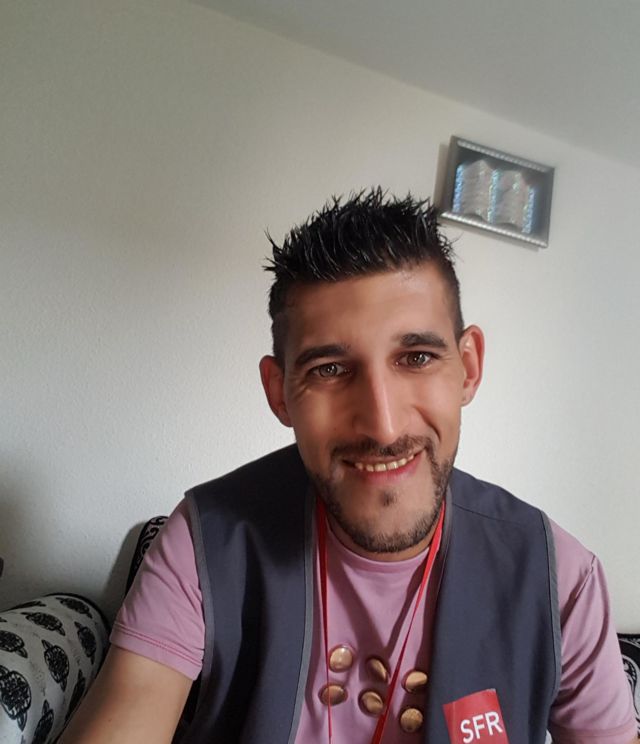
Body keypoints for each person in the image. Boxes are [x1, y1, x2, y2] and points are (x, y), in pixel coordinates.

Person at [63, 189, 636, 743]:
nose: (383, 427)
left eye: (416, 357)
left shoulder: (562, 579)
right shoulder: (204, 542)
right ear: (279, 392)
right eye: (330, 370)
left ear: (468, 367)